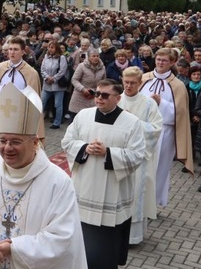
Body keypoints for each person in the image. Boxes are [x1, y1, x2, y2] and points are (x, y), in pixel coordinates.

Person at [0, 84, 87, 268]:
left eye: (15, 141)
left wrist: (15, 248)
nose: (7, 148)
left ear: (34, 142)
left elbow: (63, 237)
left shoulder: (57, 182)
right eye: (2, 140)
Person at [61, 79, 145, 269]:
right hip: (85, 188)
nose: (99, 98)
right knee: (82, 240)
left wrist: (108, 153)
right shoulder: (83, 115)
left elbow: (137, 155)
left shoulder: (131, 123)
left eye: (105, 95)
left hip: (111, 194)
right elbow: (67, 142)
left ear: (117, 98)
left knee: (105, 249)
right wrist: (85, 147)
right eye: (97, 93)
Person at [139, 48, 193, 207]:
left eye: (164, 60)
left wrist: (161, 103)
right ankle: (138, 200)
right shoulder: (143, 78)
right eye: (158, 59)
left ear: (171, 62)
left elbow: (180, 113)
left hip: (164, 131)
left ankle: (152, 203)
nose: (160, 63)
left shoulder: (178, 85)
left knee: (159, 168)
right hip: (142, 128)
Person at [118, 67, 163, 245]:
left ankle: (133, 237)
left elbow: (156, 129)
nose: (128, 86)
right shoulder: (116, 99)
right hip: (118, 156)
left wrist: (133, 121)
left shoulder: (148, 104)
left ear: (140, 83)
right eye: (126, 82)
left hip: (139, 159)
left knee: (136, 194)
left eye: (133, 83)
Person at [0, 36, 45, 142]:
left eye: (16, 49)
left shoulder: (31, 73)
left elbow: (34, 101)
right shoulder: (1, 67)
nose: (12, 52)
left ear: (23, 52)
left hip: (19, 116)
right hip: (1, 113)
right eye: (10, 49)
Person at [69, 47, 106, 120]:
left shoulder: (103, 68)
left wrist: (95, 92)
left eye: (97, 56)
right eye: (93, 56)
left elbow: (103, 82)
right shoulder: (81, 66)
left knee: (90, 119)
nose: (96, 58)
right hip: (79, 96)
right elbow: (74, 80)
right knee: (75, 120)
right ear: (89, 57)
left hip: (93, 97)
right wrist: (83, 89)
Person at [40, 40, 68, 129]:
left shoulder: (62, 58)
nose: (50, 49)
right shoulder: (46, 57)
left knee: (58, 105)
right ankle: (38, 121)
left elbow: (62, 71)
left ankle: (57, 123)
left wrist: (54, 78)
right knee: (41, 102)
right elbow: (42, 69)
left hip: (58, 86)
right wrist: (47, 77)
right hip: (46, 84)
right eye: (49, 47)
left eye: (52, 47)